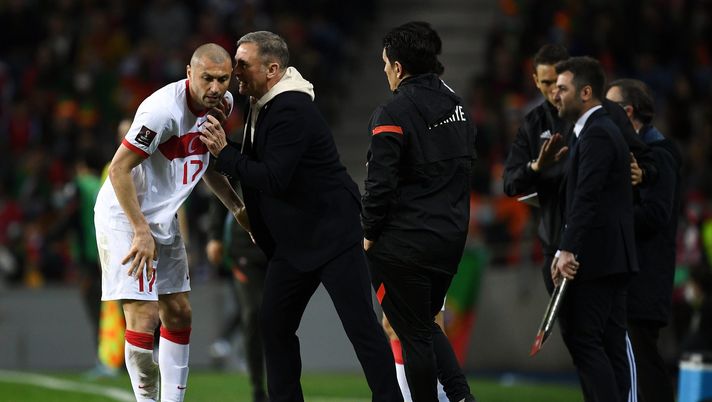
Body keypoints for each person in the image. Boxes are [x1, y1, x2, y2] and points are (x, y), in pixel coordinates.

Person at [198, 31, 402, 402]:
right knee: (273, 325)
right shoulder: (265, 104)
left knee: (361, 329)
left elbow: (275, 178)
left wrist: (224, 153)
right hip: (294, 243)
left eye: (244, 65)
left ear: (273, 69)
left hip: (332, 237)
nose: (236, 71)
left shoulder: (291, 108)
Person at [94, 43, 248, 402]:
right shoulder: (161, 111)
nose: (215, 87)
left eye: (222, 79)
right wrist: (139, 229)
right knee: (144, 316)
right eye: (207, 78)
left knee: (178, 312)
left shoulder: (222, 107)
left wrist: (238, 208)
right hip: (125, 215)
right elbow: (118, 169)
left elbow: (206, 161)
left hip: (162, 217)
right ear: (189, 72)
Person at [361, 21, 477, 402]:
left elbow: (380, 184)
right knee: (424, 327)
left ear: (398, 67)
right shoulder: (457, 105)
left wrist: (368, 233)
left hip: (405, 244)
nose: (383, 70)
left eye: (385, 63)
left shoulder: (393, 112)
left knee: (413, 337)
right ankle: (461, 397)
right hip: (449, 239)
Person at [503, 44, 656, 295]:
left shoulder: (606, 115)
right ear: (535, 81)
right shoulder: (533, 124)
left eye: (560, 84)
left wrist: (643, 173)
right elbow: (510, 183)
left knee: (598, 329)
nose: (554, 91)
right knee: (577, 332)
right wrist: (537, 167)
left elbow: (646, 161)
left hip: (603, 246)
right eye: (547, 83)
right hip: (556, 243)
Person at [551, 56, 639, 402]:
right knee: (610, 342)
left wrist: (566, 249)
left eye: (562, 88)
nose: (555, 95)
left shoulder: (598, 132)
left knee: (585, 340)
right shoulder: (593, 131)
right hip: (612, 256)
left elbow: (587, 197)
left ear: (586, 92)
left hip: (599, 257)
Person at [606, 78, 682, 402]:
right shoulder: (640, 153)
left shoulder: (659, 156)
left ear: (627, 112)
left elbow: (656, 215)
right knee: (635, 362)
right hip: (632, 277)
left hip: (646, 279)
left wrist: (610, 218)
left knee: (644, 362)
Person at [205, 180, 267, 402]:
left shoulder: (286, 149)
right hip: (245, 250)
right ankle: (258, 386)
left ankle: (282, 382)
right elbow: (219, 191)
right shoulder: (238, 149)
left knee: (280, 318)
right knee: (253, 312)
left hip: (280, 246)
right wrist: (215, 236)